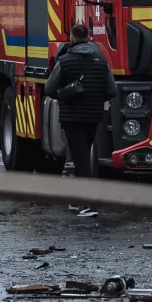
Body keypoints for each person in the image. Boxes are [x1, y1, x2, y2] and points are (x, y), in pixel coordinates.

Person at [45, 23, 117, 216]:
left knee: (81, 160)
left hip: (71, 118)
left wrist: (64, 96)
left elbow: (49, 88)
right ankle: (76, 201)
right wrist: (94, 99)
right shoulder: (101, 61)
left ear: (72, 38)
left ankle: (88, 204)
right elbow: (112, 90)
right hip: (93, 117)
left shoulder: (65, 60)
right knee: (82, 155)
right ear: (88, 37)